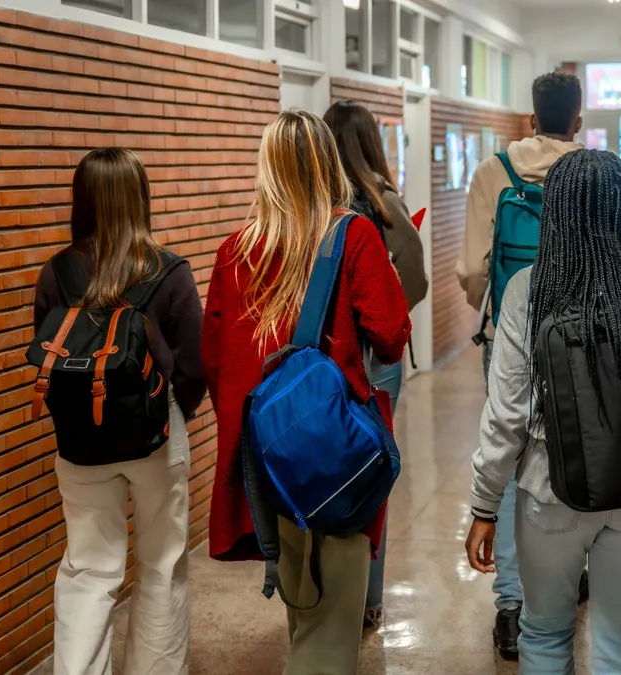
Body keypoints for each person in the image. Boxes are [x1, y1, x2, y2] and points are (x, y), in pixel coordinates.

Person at [464, 149, 621, 674]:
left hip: (550, 493)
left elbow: (506, 416)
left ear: (554, 211)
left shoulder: (528, 290)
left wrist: (485, 506)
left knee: (545, 632)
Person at [202, 110, 411, 674]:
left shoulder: (235, 250)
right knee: (326, 640)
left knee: (305, 610)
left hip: (264, 460)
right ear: (328, 164)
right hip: (329, 457)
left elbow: (214, 357)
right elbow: (390, 336)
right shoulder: (354, 236)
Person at [35, 147, 206, 675]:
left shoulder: (56, 273)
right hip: (156, 436)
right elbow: (196, 366)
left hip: (80, 441)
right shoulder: (169, 272)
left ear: (81, 199)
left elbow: (49, 351)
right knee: (161, 565)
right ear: (140, 199)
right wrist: (170, 411)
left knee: (88, 568)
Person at [454, 71, 587, 656]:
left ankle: (511, 605)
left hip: (513, 329)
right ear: (577, 122)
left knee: (508, 449)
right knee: (582, 445)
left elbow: (470, 270)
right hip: (582, 336)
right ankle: (571, 571)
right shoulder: (591, 172)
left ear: (529, 118)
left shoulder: (493, 172)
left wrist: (502, 309)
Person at [323, 100, 429, 628]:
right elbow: (417, 284)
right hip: (375, 357)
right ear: (371, 144)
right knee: (372, 470)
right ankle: (367, 600)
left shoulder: (312, 204)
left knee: (318, 462)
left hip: (316, 357)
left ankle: (319, 592)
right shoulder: (383, 204)